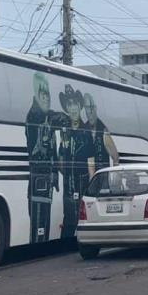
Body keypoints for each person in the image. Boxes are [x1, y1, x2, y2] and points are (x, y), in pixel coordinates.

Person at [25, 73, 63, 243]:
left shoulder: (46, 116)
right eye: (43, 95)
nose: (46, 99)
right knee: (39, 219)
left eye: (48, 95)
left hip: (45, 178)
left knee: (44, 221)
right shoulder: (35, 116)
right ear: (36, 97)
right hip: (39, 178)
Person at [57, 84, 94, 239]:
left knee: (83, 219)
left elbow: (90, 163)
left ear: (79, 107)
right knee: (68, 221)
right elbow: (60, 162)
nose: (72, 108)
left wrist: (91, 186)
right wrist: (66, 174)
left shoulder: (86, 132)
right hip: (68, 186)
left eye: (75, 104)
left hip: (82, 184)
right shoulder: (64, 132)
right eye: (69, 105)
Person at [83, 93, 119, 172]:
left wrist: (115, 176)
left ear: (95, 108)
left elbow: (115, 157)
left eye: (91, 107)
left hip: (102, 177)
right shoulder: (83, 130)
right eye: (87, 108)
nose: (90, 112)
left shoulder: (103, 131)